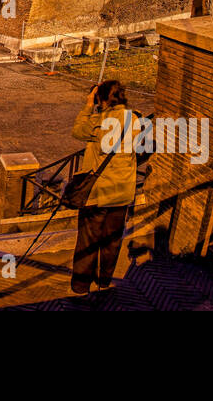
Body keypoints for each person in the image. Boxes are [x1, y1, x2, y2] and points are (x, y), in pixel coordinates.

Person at [69, 79, 138, 295]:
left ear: (103, 98)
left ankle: (80, 287)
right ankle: (104, 281)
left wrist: (89, 104)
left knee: (88, 241)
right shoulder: (135, 119)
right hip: (123, 192)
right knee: (112, 241)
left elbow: (78, 131)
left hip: (99, 193)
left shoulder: (101, 120)